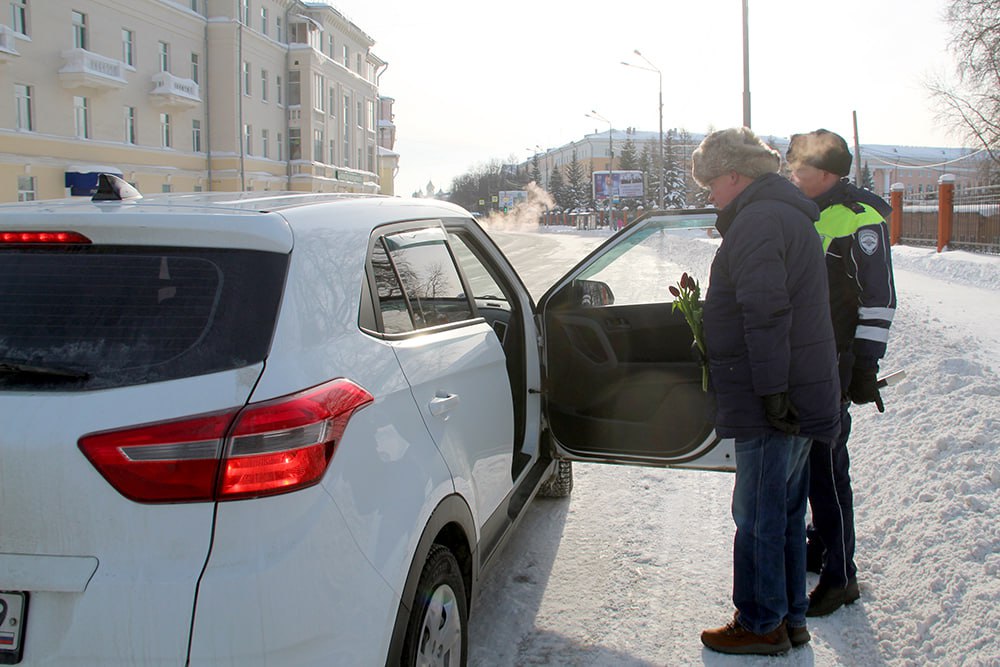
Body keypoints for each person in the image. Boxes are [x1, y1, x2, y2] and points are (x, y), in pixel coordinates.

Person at [692, 127, 842, 655]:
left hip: (774, 397)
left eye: (712, 182)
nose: (711, 194)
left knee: (757, 516)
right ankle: (790, 618)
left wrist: (773, 392)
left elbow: (766, 312)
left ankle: (760, 623)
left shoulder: (757, 220)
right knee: (783, 512)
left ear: (735, 174)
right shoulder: (783, 213)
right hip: (797, 389)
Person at [786, 129, 897, 617]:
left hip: (834, 362)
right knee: (811, 465)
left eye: (802, 166)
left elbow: (879, 299)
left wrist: (866, 364)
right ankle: (820, 546)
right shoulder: (804, 209)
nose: (794, 173)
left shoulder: (860, 218)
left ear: (827, 173)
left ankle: (841, 577)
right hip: (804, 358)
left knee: (828, 470)